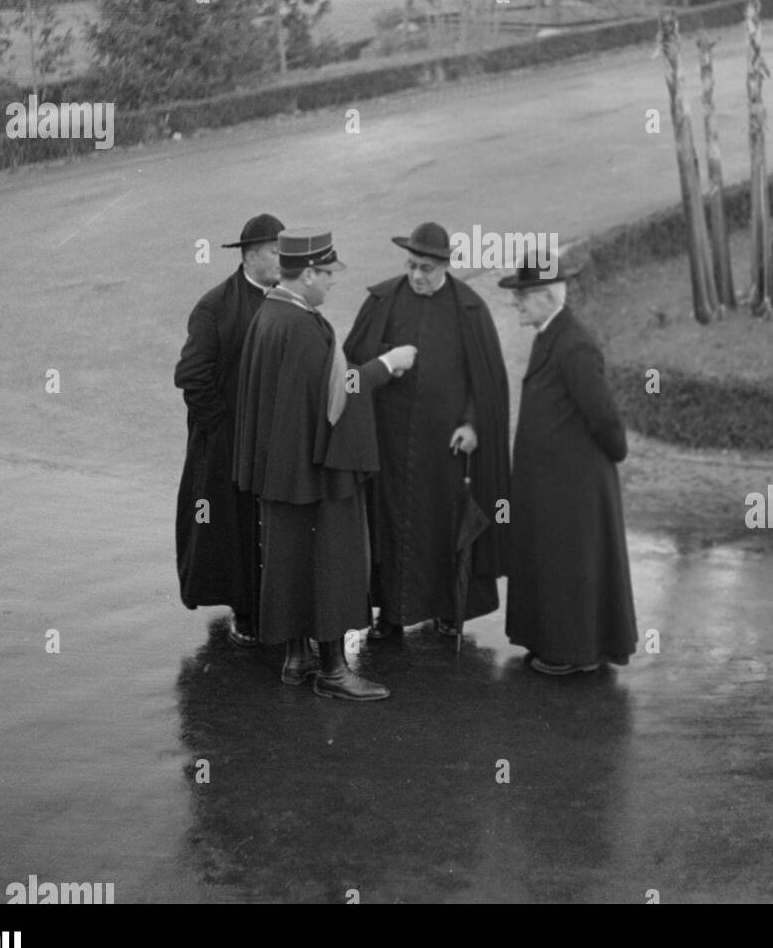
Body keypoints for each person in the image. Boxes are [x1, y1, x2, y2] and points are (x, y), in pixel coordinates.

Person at [233, 228, 416, 700]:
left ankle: (297, 658)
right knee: (331, 561)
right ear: (308, 273)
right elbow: (340, 395)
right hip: (317, 469)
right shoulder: (304, 327)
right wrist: (386, 365)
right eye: (328, 274)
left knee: (291, 559)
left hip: (280, 471)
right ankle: (334, 672)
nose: (332, 283)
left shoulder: (268, 314)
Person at [343, 222, 510, 640]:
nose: (417, 275)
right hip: (388, 443)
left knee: (441, 528)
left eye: (427, 268)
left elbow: (485, 382)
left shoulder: (470, 309)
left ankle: (447, 609)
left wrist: (474, 424)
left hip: (444, 448)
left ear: (446, 267)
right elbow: (351, 363)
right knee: (388, 527)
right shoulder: (382, 300)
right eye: (412, 265)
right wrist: (387, 357)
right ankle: (390, 615)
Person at [500, 255, 637, 675]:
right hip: (554, 485)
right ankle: (554, 643)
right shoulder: (551, 334)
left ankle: (571, 652)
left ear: (545, 296)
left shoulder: (573, 344)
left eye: (521, 296)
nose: (515, 303)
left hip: (573, 487)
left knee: (571, 566)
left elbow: (602, 415)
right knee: (556, 564)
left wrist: (615, 453)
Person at [175, 213, 284, 647]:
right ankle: (246, 611)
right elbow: (192, 375)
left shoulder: (285, 298)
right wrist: (223, 429)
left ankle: (274, 605)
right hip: (226, 443)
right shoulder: (215, 305)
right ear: (252, 255)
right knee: (232, 528)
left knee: (270, 525)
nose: (283, 260)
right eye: (277, 252)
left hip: (274, 439)